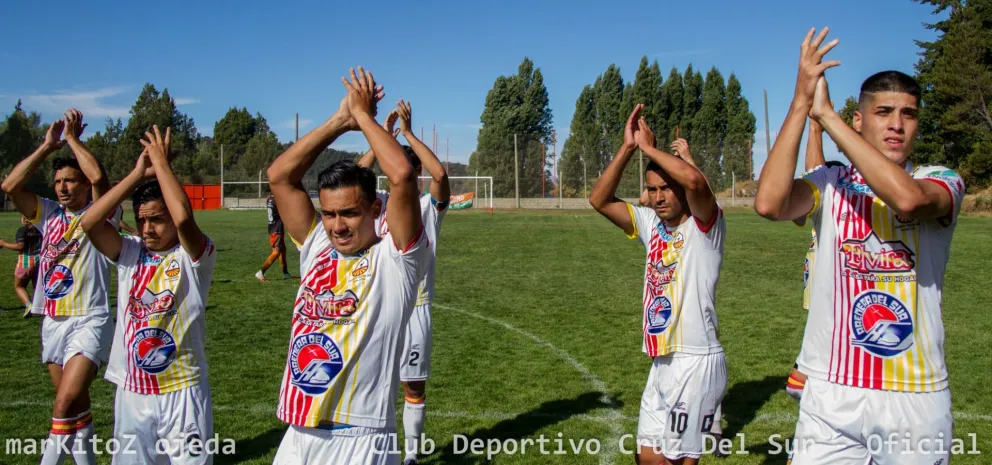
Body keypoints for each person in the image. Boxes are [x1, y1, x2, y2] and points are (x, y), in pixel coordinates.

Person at [754, 28, 963, 465]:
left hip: (914, 392)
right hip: (831, 390)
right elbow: (770, 204)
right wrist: (801, 102)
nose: (896, 124)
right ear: (859, 120)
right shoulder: (830, 181)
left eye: (909, 114)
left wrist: (827, 117)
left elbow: (908, 200)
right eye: (883, 111)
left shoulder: (940, 179)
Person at [267, 67, 430, 464]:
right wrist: (340, 121)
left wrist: (363, 116)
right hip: (298, 432)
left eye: (349, 213)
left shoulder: (397, 261)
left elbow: (402, 176)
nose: (337, 225)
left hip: (360, 439)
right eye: (329, 213)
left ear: (375, 209)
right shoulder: (317, 247)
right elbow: (280, 177)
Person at [590, 104, 726, 465]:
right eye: (652, 189)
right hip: (661, 361)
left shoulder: (705, 226)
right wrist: (629, 148)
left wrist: (650, 149)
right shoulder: (652, 225)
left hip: (696, 361)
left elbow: (695, 182)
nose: (659, 197)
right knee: (648, 458)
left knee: (676, 462)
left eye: (666, 188)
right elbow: (599, 199)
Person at [82, 128, 217, 464]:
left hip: (183, 390)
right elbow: (89, 223)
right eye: (141, 221)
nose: (147, 229)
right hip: (132, 391)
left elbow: (183, 217)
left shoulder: (194, 256)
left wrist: (161, 164)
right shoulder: (129, 252)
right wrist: (137, 174)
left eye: (156, 220)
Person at [0, 109, 117, 465]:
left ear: (84, 185)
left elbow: (99, 176)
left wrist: (72, 140)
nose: (63, 187)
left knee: (63, 404)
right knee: (76, 406)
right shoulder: (49, 214)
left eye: (70, 180)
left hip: (90, 319)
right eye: (58, 182)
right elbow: (10, 186)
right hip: (52, 320)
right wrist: (47, 146)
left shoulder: (101, 213)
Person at [357, 99, 450, 465]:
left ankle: (411, 454)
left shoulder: (428, 207)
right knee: (369, 381)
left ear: (415, 173)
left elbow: (441, 177)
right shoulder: (376, 202)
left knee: (412, 385)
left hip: (415, 308)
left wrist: (409, 134)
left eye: (408, 170)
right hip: (376, 304)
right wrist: (383, 137)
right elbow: (354, 175)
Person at [0, 216, 43, 317]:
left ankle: (29, 305)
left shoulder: (23, 230)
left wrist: (3, 243)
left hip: (26, 262)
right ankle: (41, 307)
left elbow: (20, 246)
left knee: (19, 286)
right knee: (37, 286)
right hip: (40, 261)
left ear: (24, 220)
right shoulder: (41, 229)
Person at [256, 193, 291, 282]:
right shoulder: (277, 200)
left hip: (272, 227)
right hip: (277, 229)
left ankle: (286, 273)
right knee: (276, 252)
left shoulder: (269, 199)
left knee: (282, 250)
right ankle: (261, 272)